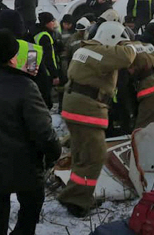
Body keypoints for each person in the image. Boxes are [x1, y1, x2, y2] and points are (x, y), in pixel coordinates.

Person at [0, 29, 61, 235]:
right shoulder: (25, 85)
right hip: (25, 165)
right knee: (30, 213)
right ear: (12, 55)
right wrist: (54, 152)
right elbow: (43, 130)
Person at [58, 21, 136, 217]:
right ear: (111, 38)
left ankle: (74, 194)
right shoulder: (100, 52)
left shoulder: (85, 49)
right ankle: (77, 201)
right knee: (95, 155)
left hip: (74, 105)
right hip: (86, 108)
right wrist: (130, 44)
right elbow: (127, 56)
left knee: (81, 154)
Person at [34, 12, 61, 95]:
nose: (54, 24)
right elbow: (48, 57)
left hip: (39, 72)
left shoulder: (37, 33)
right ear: (47, 23)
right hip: (46, 73)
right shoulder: (45, 36)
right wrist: (54, 75)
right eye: (52, 21)